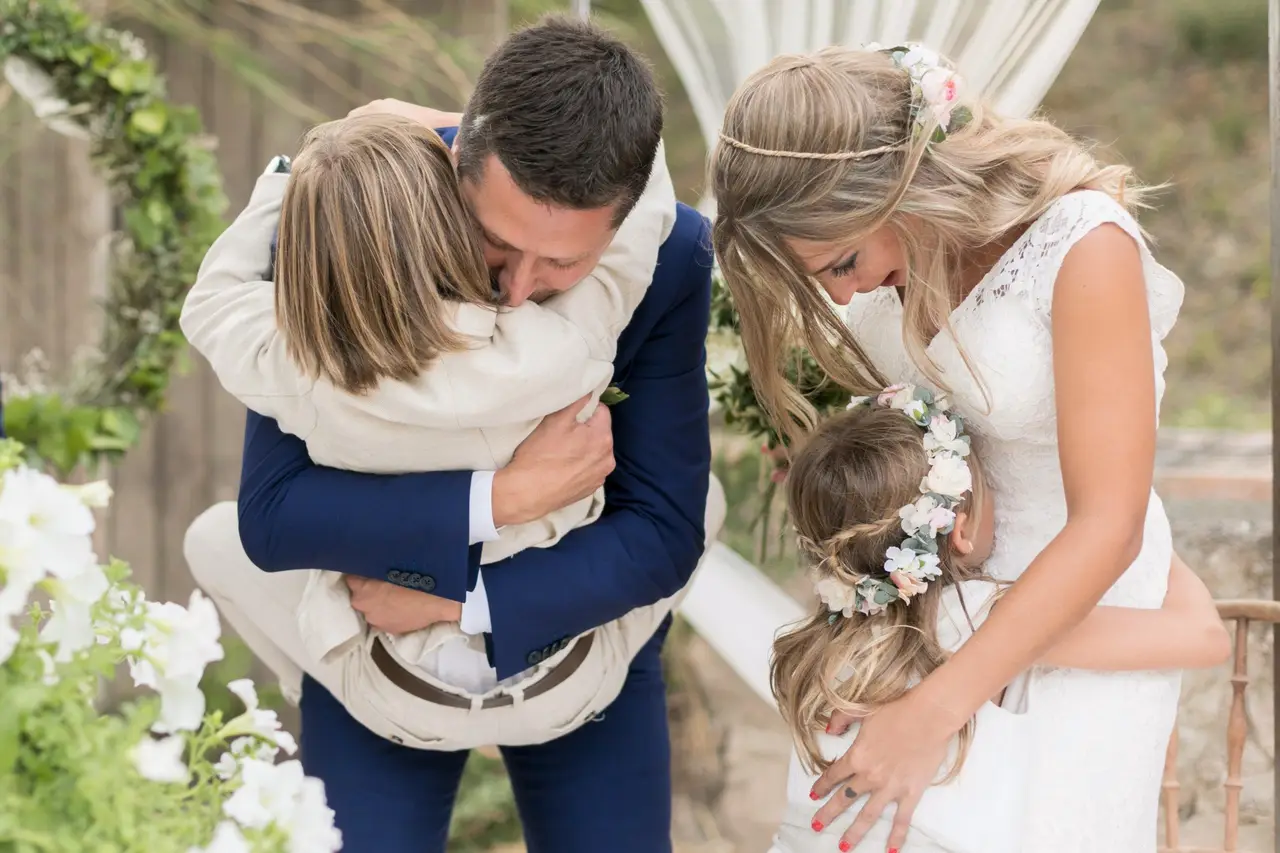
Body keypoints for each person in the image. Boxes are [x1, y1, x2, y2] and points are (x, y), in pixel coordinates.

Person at [182, 17, 716, 853]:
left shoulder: (671, 255)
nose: (517, 293)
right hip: (377, 633)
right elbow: (278, 510)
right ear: (457, 162)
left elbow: (663, 528)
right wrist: (500, 499)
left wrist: (469, 601)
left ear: (620, 235)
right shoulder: (357, 226)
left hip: (576, 622)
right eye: (496, 244)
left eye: (563, 267)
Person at [710, 43, 1188, 852]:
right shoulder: (900, 268)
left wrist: (932, 711)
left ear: (899, 187)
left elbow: (1111, 522)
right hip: (940, 620)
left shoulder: (1080, 246)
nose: (839, 294)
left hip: (1080, 618)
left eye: (843, 261)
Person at [768, 387, 1229, 853]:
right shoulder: (986, 616)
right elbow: (1205, 636)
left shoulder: (823, 641)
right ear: (961, 530)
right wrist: (1135, 530)